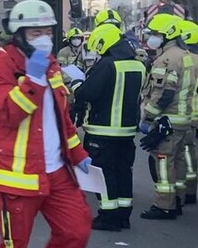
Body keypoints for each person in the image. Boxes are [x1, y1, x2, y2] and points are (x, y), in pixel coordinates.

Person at [0, 0, 92, 248]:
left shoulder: (52, 66)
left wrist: (78, 153)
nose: (44, 38)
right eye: (36, 32)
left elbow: (60, 119)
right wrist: (30, 79)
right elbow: (9, 114)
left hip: (57, 171)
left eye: (48, 31)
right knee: (15, 246)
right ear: (18, 35)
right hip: (17, 176)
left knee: (77, 230)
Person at [71, 24, 145, 231]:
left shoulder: (106, 65)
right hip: (127, 131)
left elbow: (87, 93)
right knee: (123, 172)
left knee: (104, 175)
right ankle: (123, 215)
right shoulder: (138, 65)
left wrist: (77, 82)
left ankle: (108, 216)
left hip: (102, 131)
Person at [139, 13, 196, 220]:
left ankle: (164, 205)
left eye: (155, 34)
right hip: (184, 119)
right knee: (178, 161)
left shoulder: (166, 59)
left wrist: (147, 118)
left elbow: (163, 94)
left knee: (163, 162)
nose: (151, 37)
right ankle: (178, 199)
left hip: (167, 120)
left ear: (167, 35)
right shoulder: (188, 56)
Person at [179, 19, 198, 205]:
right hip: (192, 113)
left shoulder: (187, 59)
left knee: (185, 153)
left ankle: (187, 191)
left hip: (189, 114)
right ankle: (191, 189)